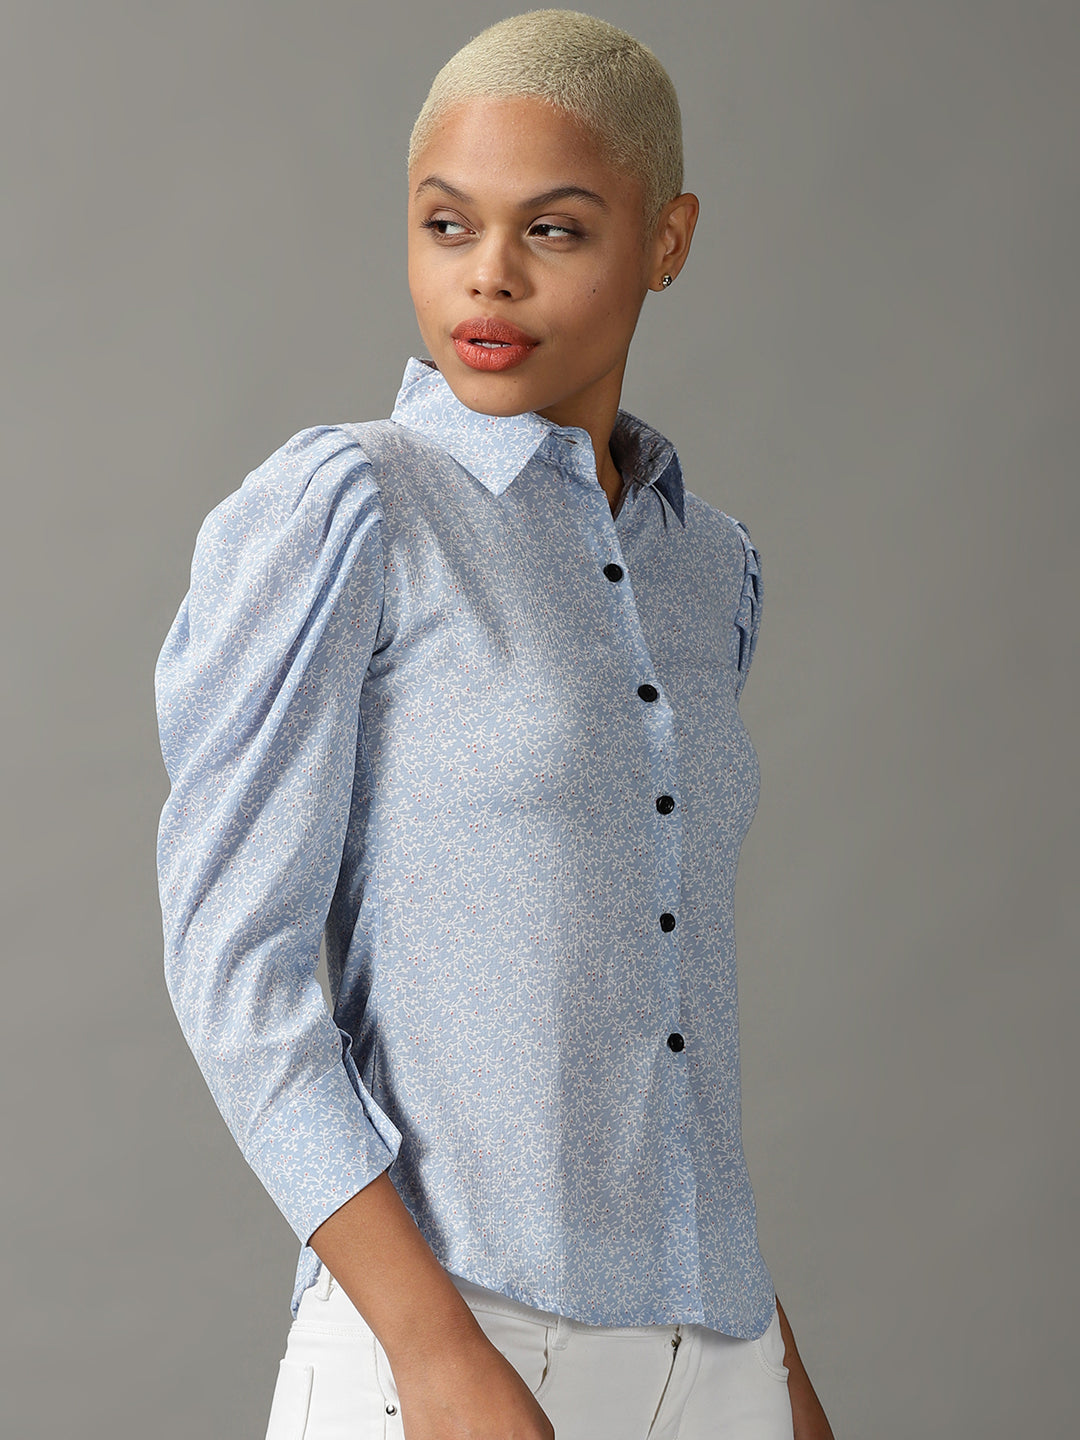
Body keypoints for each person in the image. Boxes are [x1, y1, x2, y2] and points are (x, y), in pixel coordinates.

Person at [154, 10, 835, 1439]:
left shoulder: (707, 566)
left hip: (719, 1358)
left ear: (667, 240)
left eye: (557, 230)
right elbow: (236, 973)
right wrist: (434, 1352)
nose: (490, 275)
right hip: (459, 1340)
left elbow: (669, 1007)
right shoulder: (356, 511)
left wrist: (773, 1369)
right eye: (447, 224)